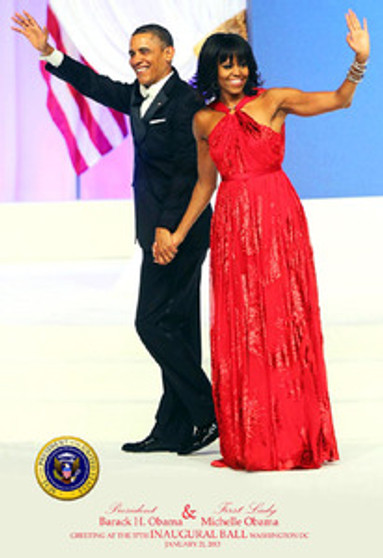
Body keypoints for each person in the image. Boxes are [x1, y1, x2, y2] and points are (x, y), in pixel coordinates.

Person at [154, 10, 370, 470]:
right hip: (231, 225)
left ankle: (293, 434)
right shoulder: (205, 122)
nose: (236, 72)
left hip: (276, 218)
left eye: (242, 63)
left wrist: (359, 62)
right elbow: (203, 185)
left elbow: (339, 100)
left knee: (281, 320)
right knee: (243, 326)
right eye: (227, 65)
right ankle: (252, 439)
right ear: (212, 69)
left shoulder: (274, 101)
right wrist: (178, 231)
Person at [11, 11, 218, 455]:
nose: (136, 59)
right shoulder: (138, 96)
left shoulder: (186, 102)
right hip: (157, 230)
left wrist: (169, 231)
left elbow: (188, 173)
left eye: (145, 51)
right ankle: (174, 428)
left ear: (169, 54)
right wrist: (50, 51)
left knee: (152, 322)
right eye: (131, 53)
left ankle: (206, 411)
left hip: (180, 229)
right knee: (176, 327)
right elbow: (95, 85)